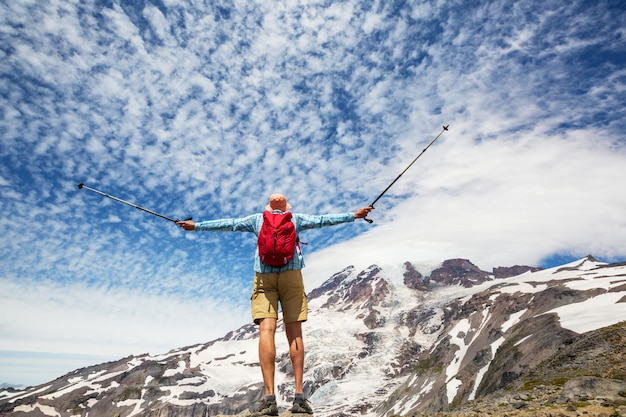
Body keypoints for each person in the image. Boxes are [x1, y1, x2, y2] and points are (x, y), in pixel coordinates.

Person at [177, 194, 373, 416]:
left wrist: (197, 226)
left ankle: (270, 400)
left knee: (266, 331)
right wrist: (353, 215)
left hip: (264, 277)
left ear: (269, 207)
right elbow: (322, 220)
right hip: (292, 276)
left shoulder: (256, 220)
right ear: (285, 206)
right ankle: (299, 398)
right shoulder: (295, 219)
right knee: (295, 332)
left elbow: (228, 224)